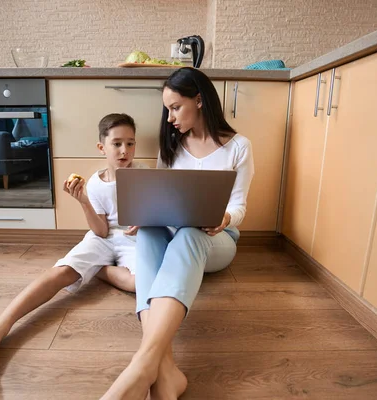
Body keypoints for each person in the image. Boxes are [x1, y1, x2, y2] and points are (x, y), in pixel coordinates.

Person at [101, 68, 255, 400]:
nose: (169, 117)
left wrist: (225, 217)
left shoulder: (239, 146)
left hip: (216, 240)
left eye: (175, 107)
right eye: (167, 109)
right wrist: (147, 212)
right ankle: (165, 372)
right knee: (151, 231)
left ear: (199, 101)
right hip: (172, 230)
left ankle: (142, 365)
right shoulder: (172, 144)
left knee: (190, 233)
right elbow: (162, 192)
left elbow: (240, 205)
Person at [0, 113, 144, 376]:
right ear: (102, 147)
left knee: (139, 283)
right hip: (102, 238)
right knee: (60, 272)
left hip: (133, 238)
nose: (124, 150)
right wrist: (83, 201)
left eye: (130, 143)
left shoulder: (145, 174)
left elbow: (154, 212)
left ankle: (96, 269)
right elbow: (101, 230)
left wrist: (145, 221)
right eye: (116, 144)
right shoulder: (94, 183)